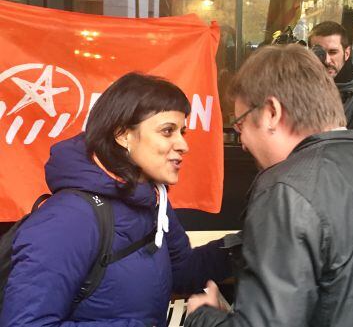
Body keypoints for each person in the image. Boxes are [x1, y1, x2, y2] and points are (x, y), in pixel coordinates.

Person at [184, 44, 353, 327]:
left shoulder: (284, 188)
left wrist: (203, 315)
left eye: (240, 125)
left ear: (271, 112)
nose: (243, 143)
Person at [0, 73, 231, 326]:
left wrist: (247, 245)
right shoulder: (69, 219)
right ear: (122, 135)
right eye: (167, 131)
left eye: (182, 131)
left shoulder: (153, 201)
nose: (183, 144)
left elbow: (184, 272)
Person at [308, 21, 353, 143]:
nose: (327, 60)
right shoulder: (297, 93)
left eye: (333, 52)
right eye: (319, 53)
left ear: (347, 53)